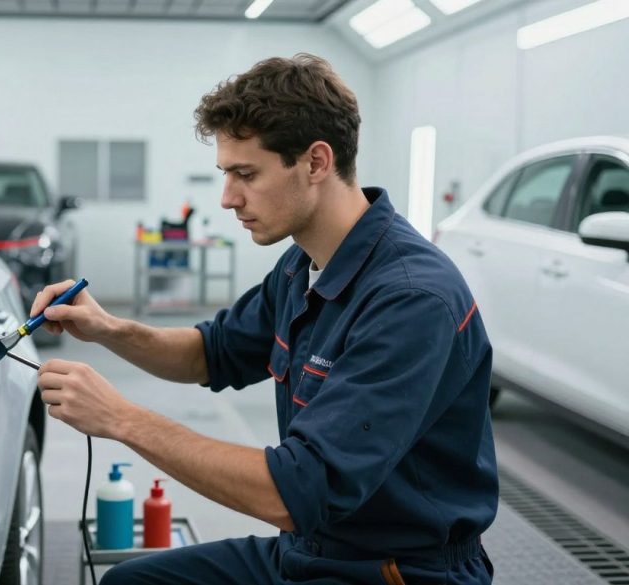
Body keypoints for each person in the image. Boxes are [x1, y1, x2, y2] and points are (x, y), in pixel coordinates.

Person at [33, 54, 497, 585]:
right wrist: (108, 328)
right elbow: (212, 352)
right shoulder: (303, 264)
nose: (228, 198)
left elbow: (297, 491)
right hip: (308, 550)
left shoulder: (412, 300)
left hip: (395, 571)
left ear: (316, 163)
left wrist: (121, 419)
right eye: (226, 174)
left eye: (245, 174)